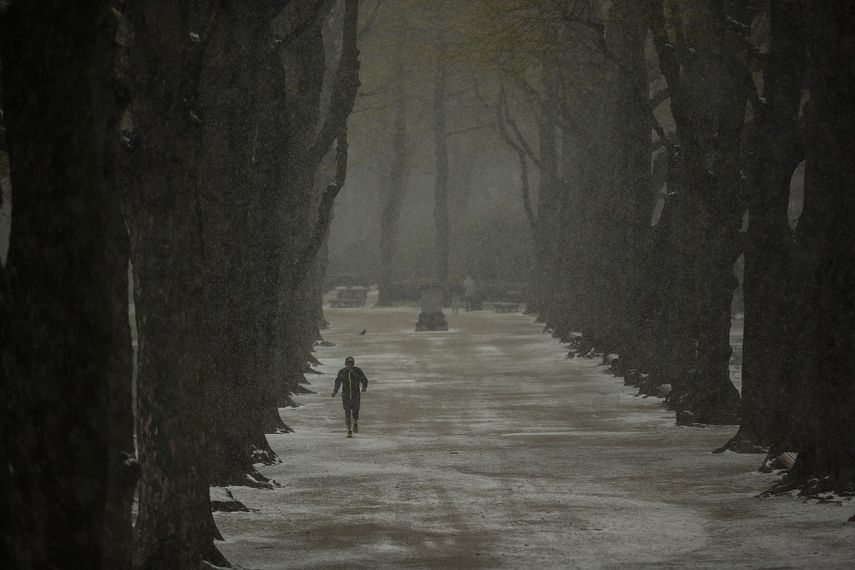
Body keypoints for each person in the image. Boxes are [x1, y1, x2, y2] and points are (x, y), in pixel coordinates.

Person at [331, 355, 368, 438]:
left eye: (351, 364)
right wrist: (334, 392)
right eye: (348, 364)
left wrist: (364, 387)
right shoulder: (342, 372)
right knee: (347, 413)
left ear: (353, 364)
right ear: (345, 364)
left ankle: (355, 423)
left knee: (355, 413)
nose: (350, 365)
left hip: (356, 396)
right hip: (346, 396)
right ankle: (349, 430)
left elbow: (364, 380)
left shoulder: (358, 371)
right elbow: (337, 383)